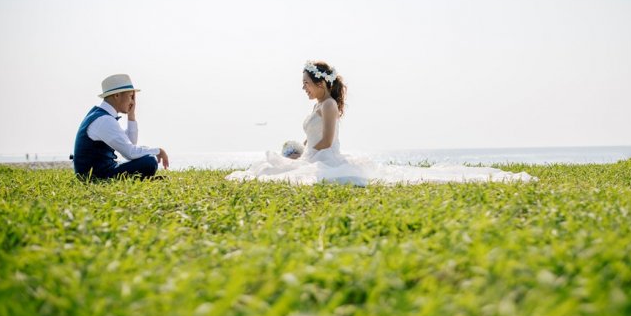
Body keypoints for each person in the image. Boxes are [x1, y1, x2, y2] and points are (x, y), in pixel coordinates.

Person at [227, 61, 535, 185]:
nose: (303, 87)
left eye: (306, 82)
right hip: (314, 154)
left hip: (325, 158)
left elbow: (327, 141)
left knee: (281, 173)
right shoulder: (320, 104)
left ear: (321, 84)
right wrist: (298, 151)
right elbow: (312, 138)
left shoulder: (329, 104)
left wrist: (306, 157)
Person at [72, 74, 169, 180]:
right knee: (149, 161)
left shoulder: (101, 115)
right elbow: (130, 153)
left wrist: (131, 115)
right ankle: (143, 180)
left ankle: (143, 180)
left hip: (99, 171)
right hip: (96, 176)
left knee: (144, 159)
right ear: (117, 95)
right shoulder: (104, 120)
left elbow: (130, 144)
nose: (132, 102)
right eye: (130, 96)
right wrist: (159, 151)